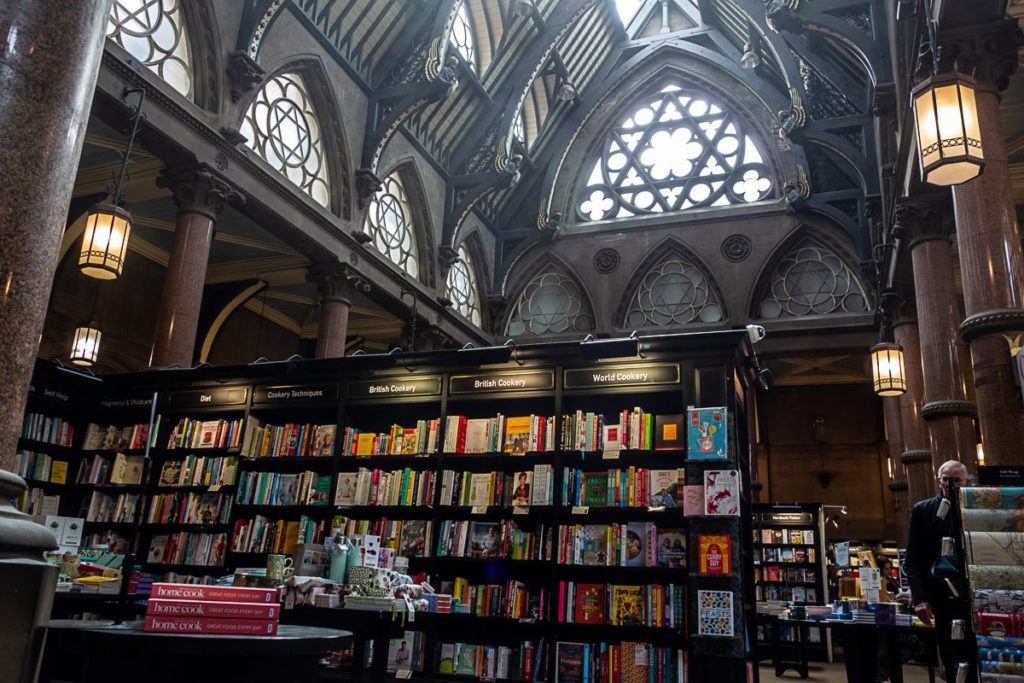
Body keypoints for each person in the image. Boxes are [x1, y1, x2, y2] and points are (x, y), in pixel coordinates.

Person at [904, 460, 973, 683]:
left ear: (966, 481)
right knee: (950, 652)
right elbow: (913, 560)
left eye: (956, 480)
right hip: (942, 593)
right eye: (945, 479)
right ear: (938, 481)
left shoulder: (975, 506)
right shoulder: (924, 510)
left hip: (973, 590)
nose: (950, 485)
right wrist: (920, 599)